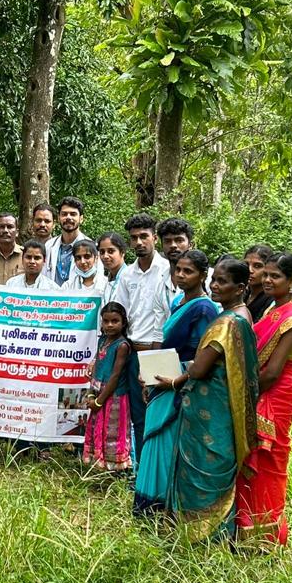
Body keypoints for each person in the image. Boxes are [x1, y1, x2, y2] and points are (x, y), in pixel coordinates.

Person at [135, 258, 259, 541]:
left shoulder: (227, 323)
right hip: (219, 403)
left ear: (240, 287)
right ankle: (212, 530)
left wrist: (174, 381)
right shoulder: (240, 315)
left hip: (211, 404)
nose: (215, 286)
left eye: (222, 282)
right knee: (214, 463)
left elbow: (200, 368)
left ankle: (202, 532)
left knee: (205, 464)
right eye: (215, 280)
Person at [236, 252, 292, 546]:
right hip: (258, 389)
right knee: (249, 458)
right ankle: (244, 527)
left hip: (274, 394)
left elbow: (273, 371)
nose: (267, 280)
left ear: (291, 280)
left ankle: (266, 534)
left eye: (275, 276)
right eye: (265, 274)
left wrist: (241, 390)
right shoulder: (272, 311)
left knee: (269, 462)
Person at [133, 250, 219, 506]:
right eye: (178, 270)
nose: (180, 275)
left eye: (188, 271)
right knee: (153, 438)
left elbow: (204, 355)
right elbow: (165, 342)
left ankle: (163, 501)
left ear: (203, 275)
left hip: (182, 381)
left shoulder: (205, 308)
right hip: (162, 374)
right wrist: (146, 373)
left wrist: (174, 382)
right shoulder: (178, 301)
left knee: (167, 439)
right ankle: (147, 500)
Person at [113, 214, 171, 455]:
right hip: (134, 351)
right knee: (138, 415)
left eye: (144, 236)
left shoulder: (168, 270)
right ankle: (141, 472)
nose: (139, 242)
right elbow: (120, 314)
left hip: (161, 351)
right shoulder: (127, 274)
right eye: (134, 238)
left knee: (161, 414)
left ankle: (160, 473)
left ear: (154, 238)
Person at [82, 302, 134, 471]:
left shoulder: (122, 346)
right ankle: (98, 463)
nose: (110, 325)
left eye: (115, 321)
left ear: (123, 322)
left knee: (111, 432)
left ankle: (115, 468)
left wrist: (99, 401)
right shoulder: (103, 340)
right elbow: (97, 363)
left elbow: (115, 376)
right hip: (99, 392)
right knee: (98, 428)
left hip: (113, 396)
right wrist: (91, 393)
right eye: (106, 321)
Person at [43, 197, 90, 285]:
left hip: (78, 297)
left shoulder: (92, 247)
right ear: (58, 218)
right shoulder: (49, 246)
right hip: (51, 297)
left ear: (81, 218)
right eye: (64, 214)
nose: (68, 217)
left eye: (73, 214)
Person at [244, 244, 274, 323]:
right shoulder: (243, 293)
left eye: (257, 266)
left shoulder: (271, 300)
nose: (250, 270)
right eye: (246, 264)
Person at [97, 232, 127, 305]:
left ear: (122, 252)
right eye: (102, 252)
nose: (105, 256)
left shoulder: (129, 278)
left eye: (111, 251)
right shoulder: (107, 280)